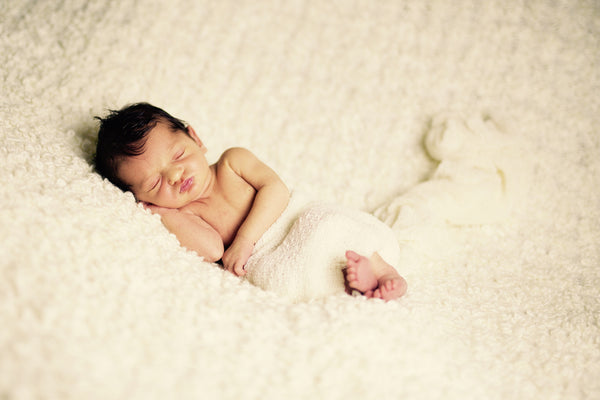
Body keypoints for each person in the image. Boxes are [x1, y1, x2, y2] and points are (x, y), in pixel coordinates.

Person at [94, 102, 407, 301]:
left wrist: (244, 240)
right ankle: (355, 286)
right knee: (283, 279)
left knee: (330, 227)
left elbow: (276, 190)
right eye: (155, 183)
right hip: (273, 253)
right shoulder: (185, 215)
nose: (175, 175)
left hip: (294, 216)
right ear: (141, 199)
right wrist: (166, 215)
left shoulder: (232, 163)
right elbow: (213, 250)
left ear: (196, 138)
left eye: (178, 155)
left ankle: (383, 270)